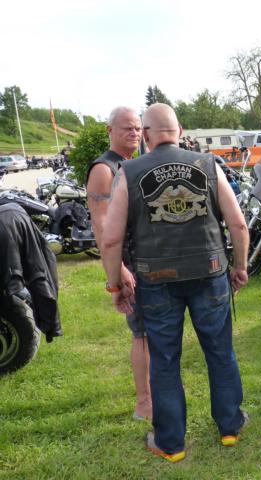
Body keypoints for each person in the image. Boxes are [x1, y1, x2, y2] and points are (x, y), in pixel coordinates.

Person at [100, 103, 249, 463]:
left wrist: (115, 285)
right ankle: (230, 427)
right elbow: (238, 224)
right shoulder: (209, 165)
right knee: (220, 351)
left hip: (156, 279)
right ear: (180, 131)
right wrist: (241, 267)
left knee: (164, 360)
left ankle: (171, 444)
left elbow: (111, 239)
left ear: (146, 135)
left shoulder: (128, 172)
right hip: (210, 272)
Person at [85, 106, 151, 420]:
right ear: (110, 131)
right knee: (142, 334)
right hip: (129, 264)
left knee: (154, 332)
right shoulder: (104, 169)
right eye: (127, 128)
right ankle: (144, 402)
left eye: (138, 128)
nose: (134, 133)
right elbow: (101, 224)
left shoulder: (132, 164)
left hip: (148, 260)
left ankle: (155, 393)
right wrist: (118, 268)